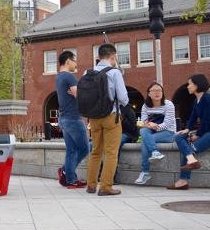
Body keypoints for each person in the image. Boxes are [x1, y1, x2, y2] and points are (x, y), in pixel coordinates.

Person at [86, 44, 129, 196]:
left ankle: (91, 185)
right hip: (111, 116)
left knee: (96, 151)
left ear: (99, 56)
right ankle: (105, 187)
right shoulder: (115, 72)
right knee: (111, 152)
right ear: (112, 56)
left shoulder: (88, 72)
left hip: (94, 118)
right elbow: (123, 98)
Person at [168, 74, 210, 190]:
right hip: (205, 130)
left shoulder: (207, 98)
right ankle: (191, 159)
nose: (188, 86)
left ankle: (183, 181)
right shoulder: (196, 100)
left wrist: (197, 134)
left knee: (189, 149)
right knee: (179, 137)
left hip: (208, 132)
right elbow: (192, 117)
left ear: (197, 85)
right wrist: (187, 129)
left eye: (190, 84)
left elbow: (207, 120)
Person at [55, 50, 88, 188]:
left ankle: (70, 179)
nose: (76, 64)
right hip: (73, 118)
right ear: (68, 61)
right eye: (74, 61)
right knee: (84, 149)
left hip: (64, 118)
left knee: (72, 150)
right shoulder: (70, 77)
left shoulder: (59, 77)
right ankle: (66, 173)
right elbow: (79, 97)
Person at [134, 83, 176, 185]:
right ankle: (154, 152)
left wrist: (156, 126)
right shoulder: (145, 106)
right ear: (149, 94)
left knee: (145, 141)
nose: (157, 93)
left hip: (168, 132)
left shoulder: (168, 104)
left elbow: (168, 123)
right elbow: (144, 122)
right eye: (154, 91)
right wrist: (149, 125)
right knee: (143, 131)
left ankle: (145, 172)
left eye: (159, 90)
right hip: (151, 131)